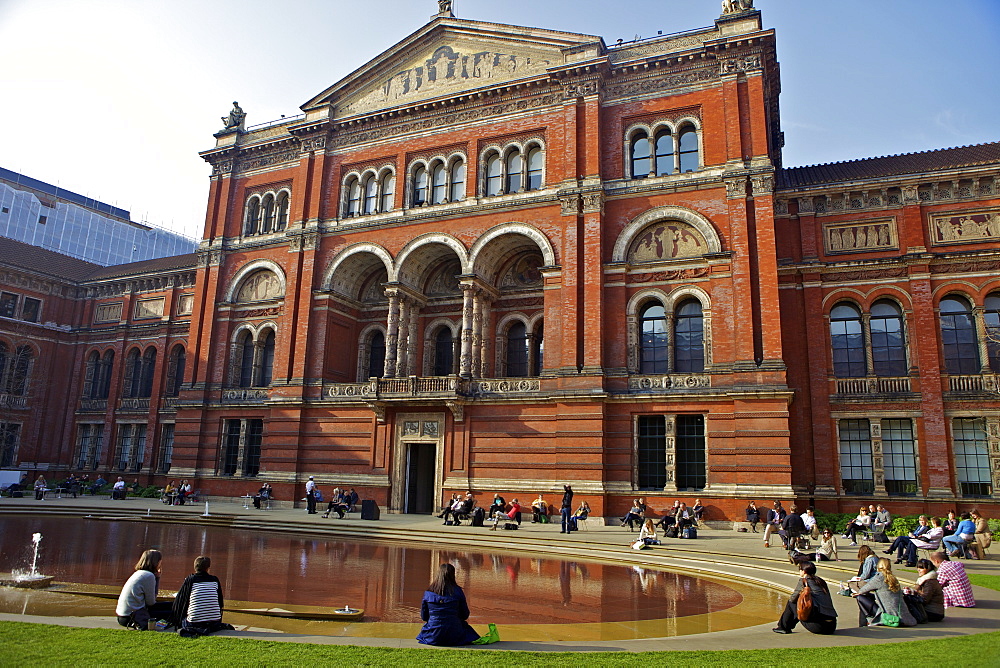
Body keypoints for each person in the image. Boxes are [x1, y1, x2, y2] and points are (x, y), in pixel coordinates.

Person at [416, 563, 494, 646]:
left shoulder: (428, 593)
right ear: (453, 575)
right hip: (454, 634)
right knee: (467, 629)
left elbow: (424, 617)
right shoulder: (458, 591)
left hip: (433, 635)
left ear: (438, 575)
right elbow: (465, 615)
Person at [172, 556, 233, 637]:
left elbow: (181, 600)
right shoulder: (214, 580)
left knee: (184, 620)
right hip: (214, 621)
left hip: (194, 622)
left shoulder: (191, 579)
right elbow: (220, 602)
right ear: (208, 568)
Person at [772, 562, 838, 635]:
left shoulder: (804, 581)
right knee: (800, 603)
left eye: (800, 569)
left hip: (819, 627)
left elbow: (792, 598)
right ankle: (785, 626)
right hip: (832, 626)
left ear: (804, 571)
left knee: (792, 603)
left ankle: (783, 627)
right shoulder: (820, 581)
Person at [115, 550, 173, 630]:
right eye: (160, 560)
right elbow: (151, 602)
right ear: (156, 562)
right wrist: (158, 578)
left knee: (172, 605)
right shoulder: (149, 576)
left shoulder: (139, 573)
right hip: (132, 617)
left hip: (123, 616)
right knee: (173, 612)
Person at [852, 558, 916, 627]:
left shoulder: (879, 578)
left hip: (889, 615)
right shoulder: (893, 578)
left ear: (878, 566)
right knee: (869, 596)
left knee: (860, 598)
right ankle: (865, 624)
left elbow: (862, 590)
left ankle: (865, 623)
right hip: (903, 616)